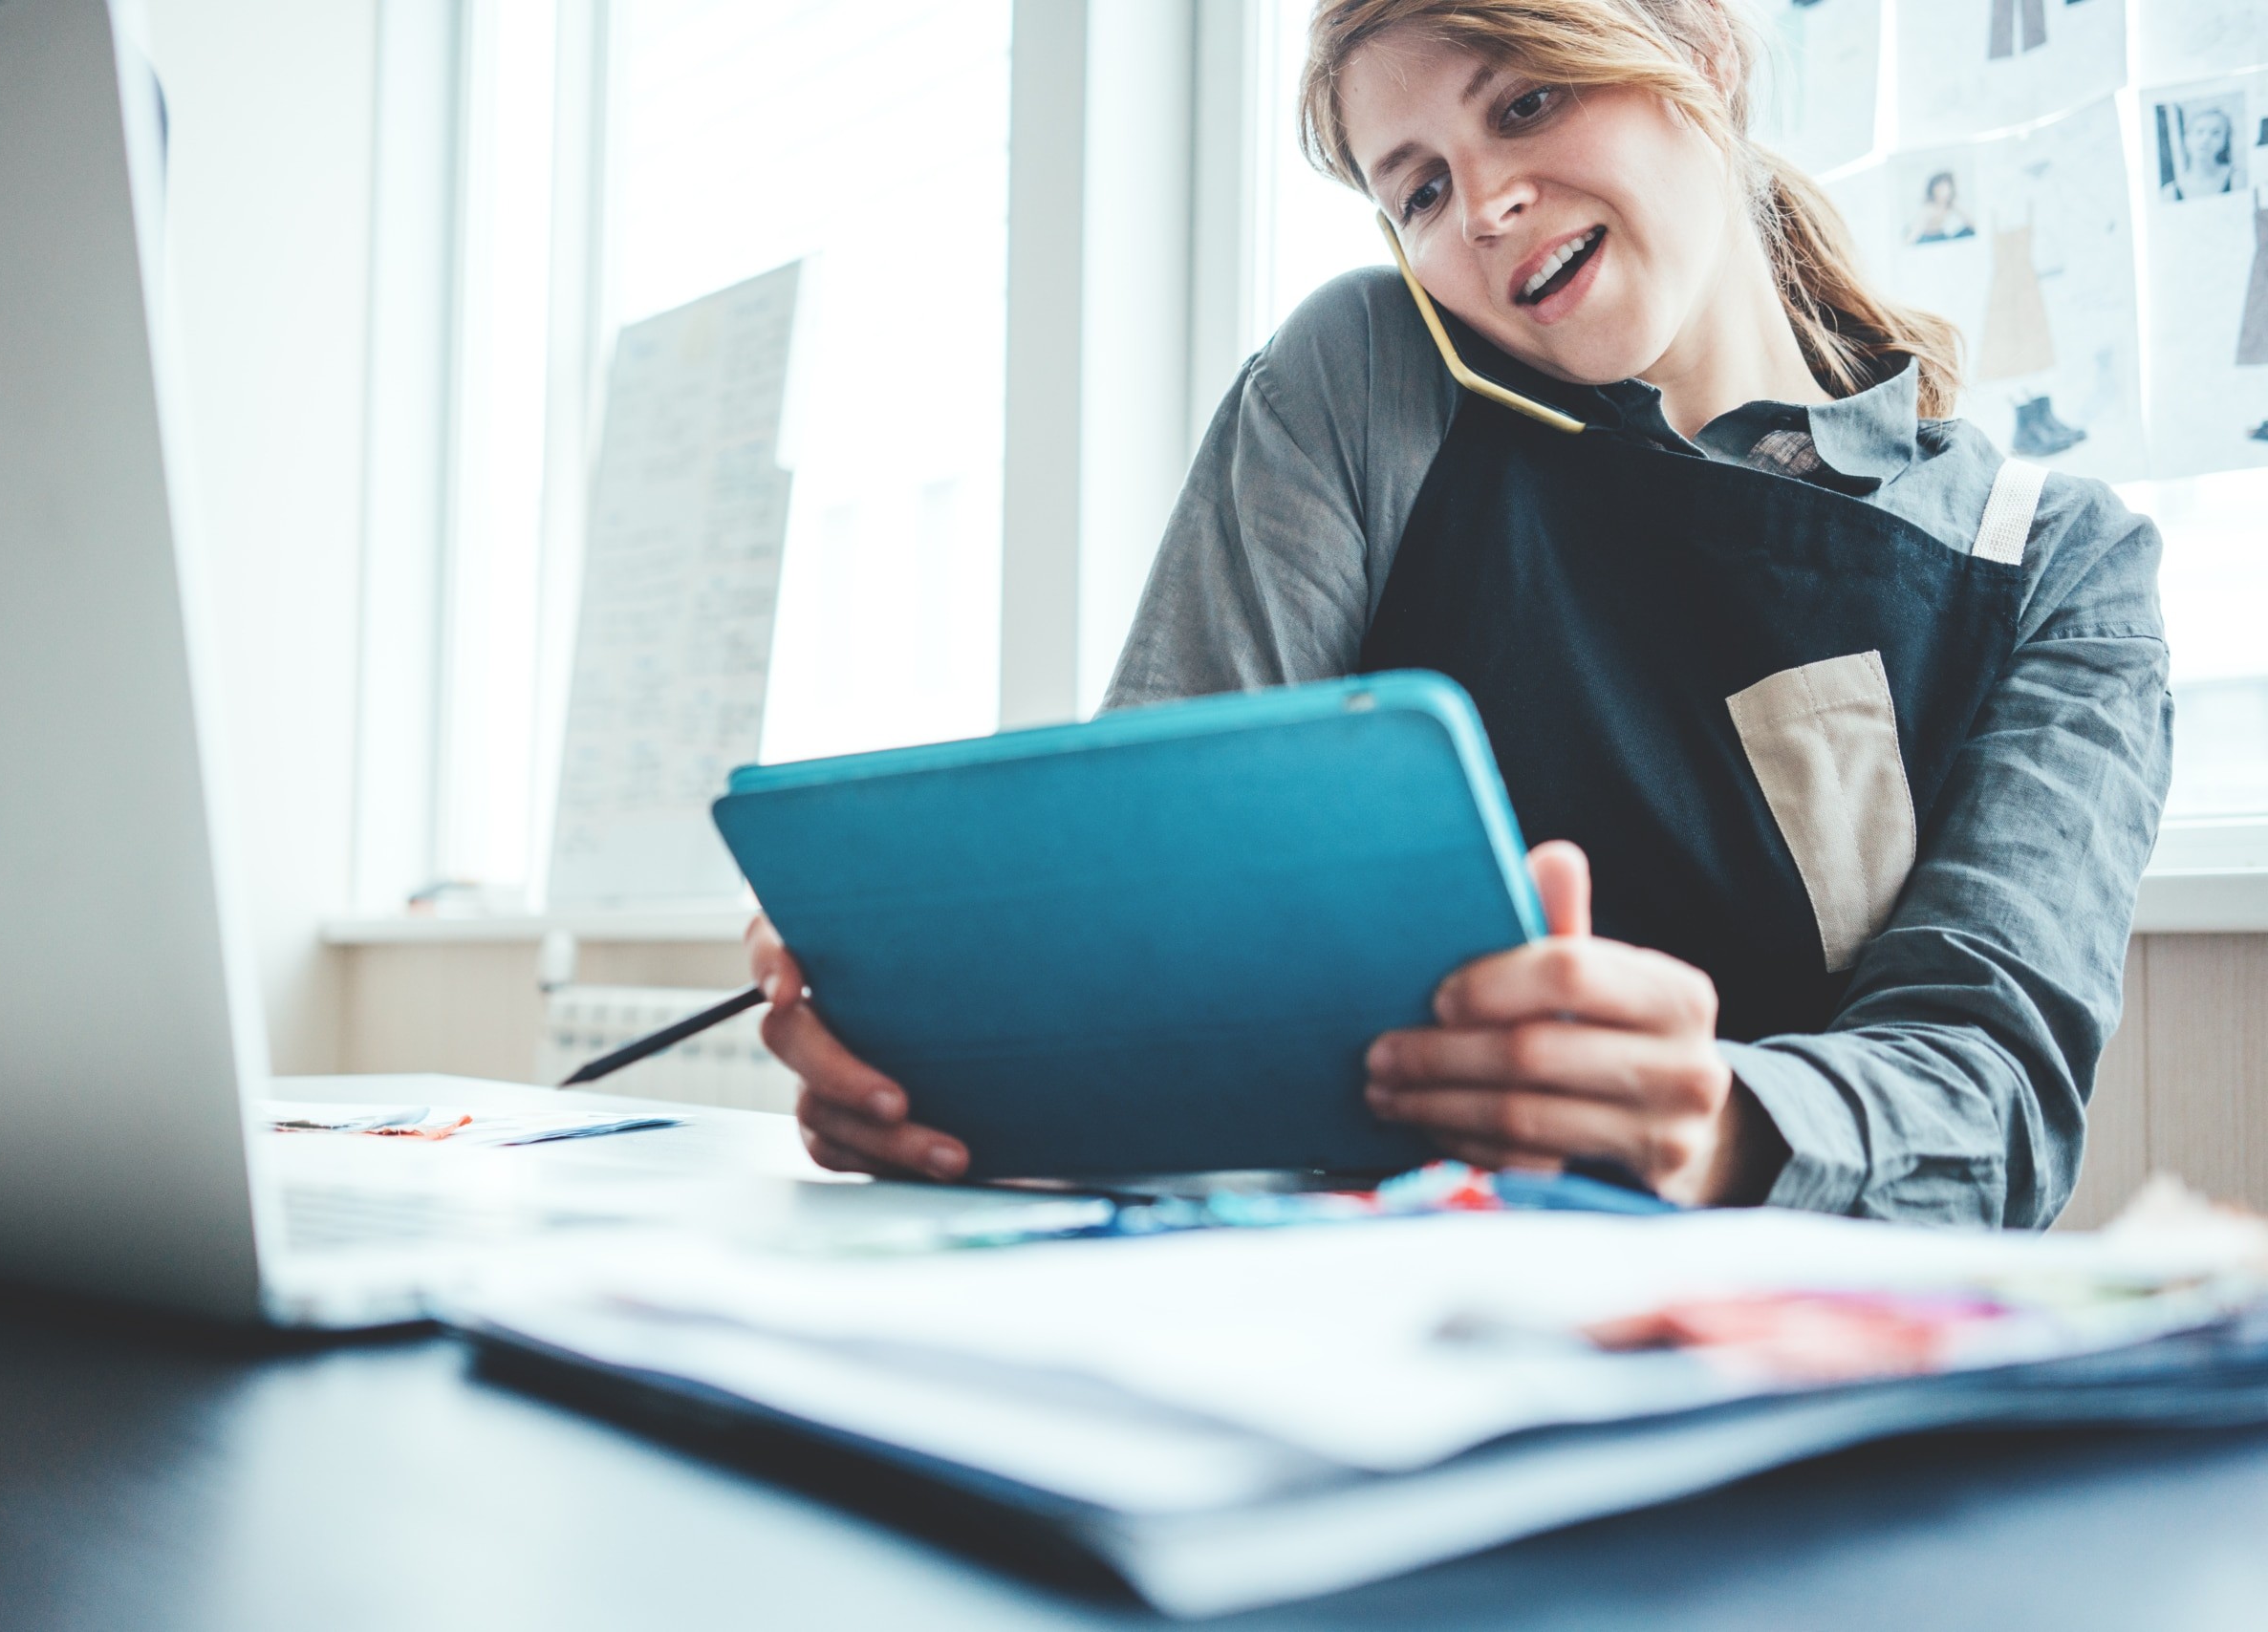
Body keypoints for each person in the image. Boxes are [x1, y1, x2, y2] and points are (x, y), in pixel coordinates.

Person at [749, 0, 2168, 1226]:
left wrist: (1722, 1120)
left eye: (1528, 102)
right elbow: (1151, 913)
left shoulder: (2057, 568)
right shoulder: (1367, 383)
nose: (1482, 207)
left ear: (1703, 53)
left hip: (1786, 1375)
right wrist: (966, 1063)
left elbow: (1994, 1106)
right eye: (1419, 187)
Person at [1905, 170, 1976, 242]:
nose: (1942, 191)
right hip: (1928, 239)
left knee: (1969, 231)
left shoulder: (1951, 204)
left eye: (1945, 187)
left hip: (1942, 236)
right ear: (1933, 189)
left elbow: (1972, 224)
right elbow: (1917, 228)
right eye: (1939, 187)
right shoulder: (1929, 207)